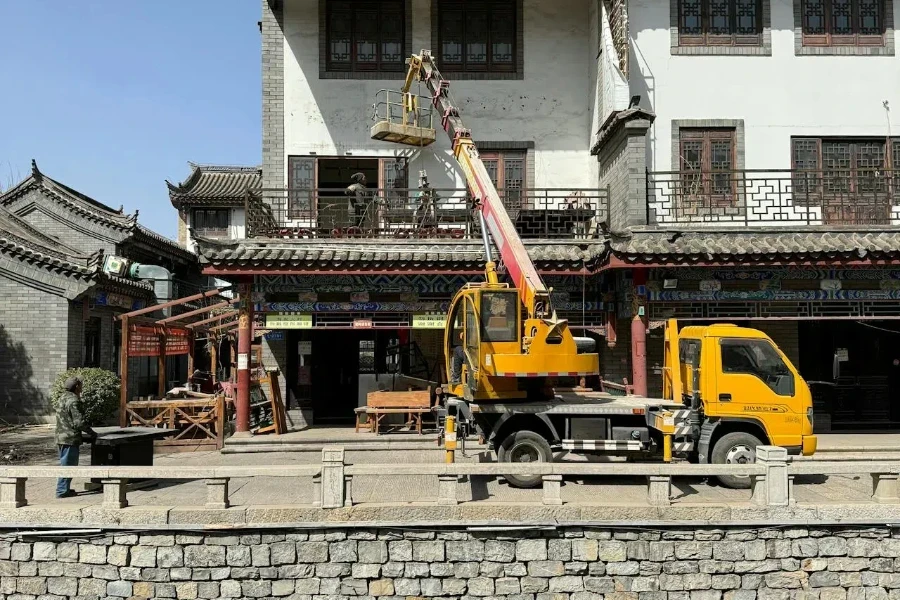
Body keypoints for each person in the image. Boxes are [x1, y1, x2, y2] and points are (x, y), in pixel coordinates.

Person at [55, 377, 96, 498]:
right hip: (70, 438)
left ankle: (65, 488)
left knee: (65, 464)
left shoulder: (62, 398)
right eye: (81, 385)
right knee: (68, 466)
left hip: (60, 437)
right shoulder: (73, 400)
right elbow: (79, 422)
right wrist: (92, 432)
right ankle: (61, 491)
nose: (82, 387)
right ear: (77, 387)